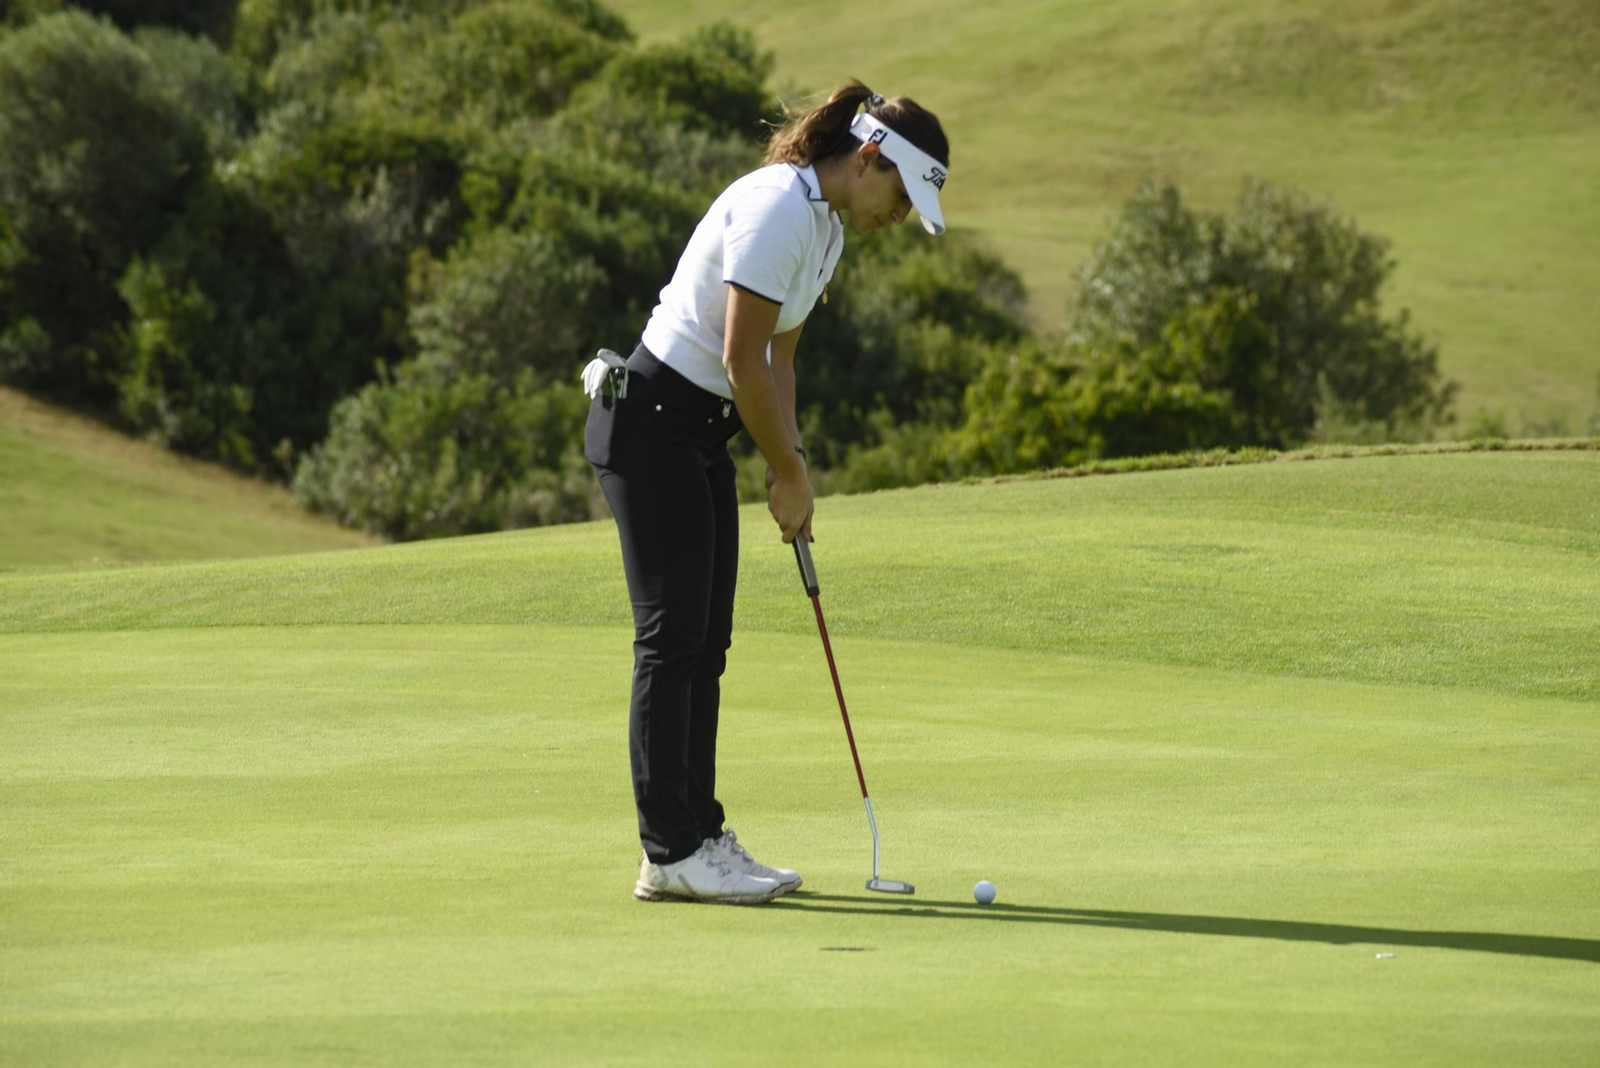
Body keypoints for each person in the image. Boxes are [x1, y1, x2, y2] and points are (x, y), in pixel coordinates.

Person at [581, 80, 950, 904]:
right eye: (899, 195)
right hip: (650, 424)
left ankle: (700, 834)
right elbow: (740, 357)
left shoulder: (825, 231)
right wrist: (781, 471)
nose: (899, 216)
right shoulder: (779, 206)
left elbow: (782, 362)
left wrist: (798, 464)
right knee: (672, 640)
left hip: (700, 432)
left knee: (706, 644)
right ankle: (668, 849)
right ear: (869, 158)